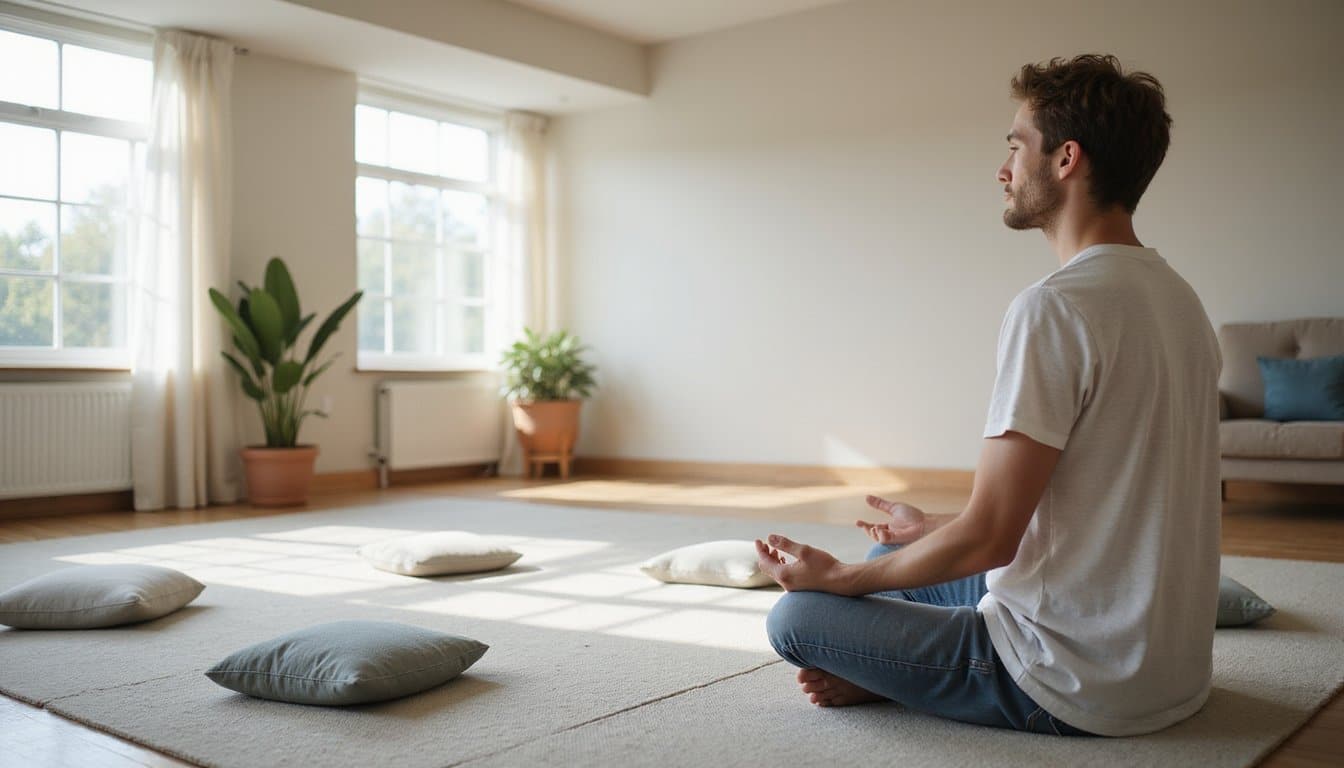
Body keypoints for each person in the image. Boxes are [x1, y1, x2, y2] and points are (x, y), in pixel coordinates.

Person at [756, 54, 1222, 738]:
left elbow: (994, 538)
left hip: (1074, 685)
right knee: (898, 560)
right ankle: (886, 660)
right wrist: (937, 532)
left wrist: (839, 579)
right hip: (1173, 675)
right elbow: (1099, 507)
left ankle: (895, 674)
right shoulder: (1181, 301)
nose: (1002, 169)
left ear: (1067, 159)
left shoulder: (1054, 307)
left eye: (1014, 146)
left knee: (800, 617)